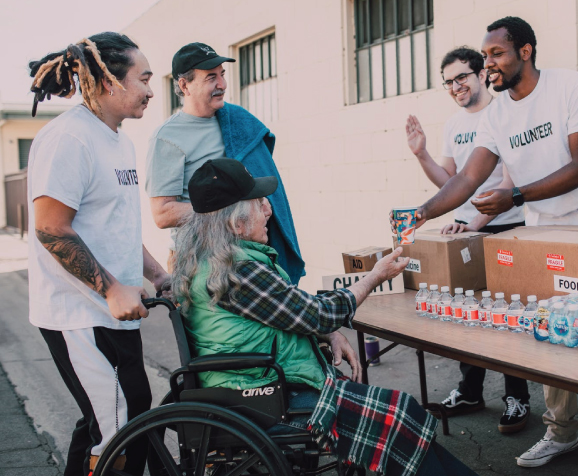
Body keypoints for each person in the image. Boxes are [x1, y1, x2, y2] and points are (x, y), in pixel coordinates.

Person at [398, 16, 578, 476]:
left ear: (525, 51)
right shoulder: (497, 113)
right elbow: (468, 177)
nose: (489, 66)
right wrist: (422, 212)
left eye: (496, 54)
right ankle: (561, 431)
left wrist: (518, 195)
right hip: (542, 233)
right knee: (548, 332)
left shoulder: (572, 87)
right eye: (485, 57)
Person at [172, 157, 480, 476]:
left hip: (255, 385)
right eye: (259, 203)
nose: (268, 210)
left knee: (403, 418)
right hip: (263, 397)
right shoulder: (237, 272)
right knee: (399, 414)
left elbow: (291, 313)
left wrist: (327, 332)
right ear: (235, 222)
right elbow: (318, 314)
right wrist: (374, 277)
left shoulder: (211, 262)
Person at [27, 32, 170, 476]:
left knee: (121, 416)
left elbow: (115, 227)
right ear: (110, 81)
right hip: (79, 314)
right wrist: (110, 289)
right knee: (116, 427)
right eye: (143, 79)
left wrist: (157, 274)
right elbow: (51, 229)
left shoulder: (119, 141)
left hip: (114, 310)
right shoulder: (69, 139)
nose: (150, 89)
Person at [405, 46, 528, 432]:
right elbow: (452, 183)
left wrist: (472, 224)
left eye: (462, 77)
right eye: (448, 82)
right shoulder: (454, 125)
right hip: (464, 231)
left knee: (508, 317)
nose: (455, 86)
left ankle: (517, 398)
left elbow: (510, 182)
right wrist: (422, 154)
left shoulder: (505, 114)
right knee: (466, 316)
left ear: (481, 75)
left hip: (503, 228)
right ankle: (470, 391)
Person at [145, 42, 304, 283]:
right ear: (184, 85)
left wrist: (258, 204)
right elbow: (162, 214)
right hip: (198, 260)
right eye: (211, 77)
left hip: (250, 255)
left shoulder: (237, 120)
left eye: (222, 75)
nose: (222, 85)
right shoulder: (167, 138)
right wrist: (233, 209)